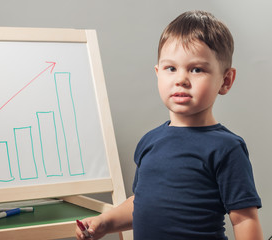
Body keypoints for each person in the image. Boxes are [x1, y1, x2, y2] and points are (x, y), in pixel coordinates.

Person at [75, 10, 263, 240]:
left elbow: (244, 218)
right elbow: (142, 203)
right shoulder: (150, 142)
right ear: (158, 73)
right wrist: (105, 223)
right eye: (171, 68)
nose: (181, 79)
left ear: (225, 81)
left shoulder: (226, 148)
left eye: (196, 69)